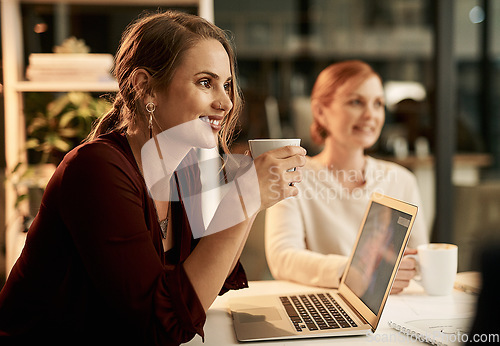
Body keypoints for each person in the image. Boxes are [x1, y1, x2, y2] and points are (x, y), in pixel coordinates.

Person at [0, 11, 306, 344]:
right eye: (206, 82)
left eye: (228, 85)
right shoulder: (94, 170)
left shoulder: (186, 170)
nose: (226, 102)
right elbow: (161, 327)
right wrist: (244, 197)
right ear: (145, 86)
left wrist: (253, 198)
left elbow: (205, 288)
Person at [265, 60, 428, 294]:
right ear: (321, 111)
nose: (371, 114)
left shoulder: (401, 181)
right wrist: (355, 272)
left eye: (378, 103)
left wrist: (408, 267)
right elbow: (283, 258)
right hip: (323, 306)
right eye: (356, 102)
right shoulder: (292, 178)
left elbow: (418, 257)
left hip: (392, 310)